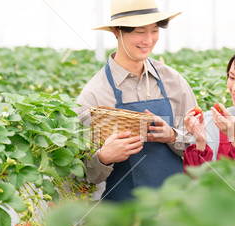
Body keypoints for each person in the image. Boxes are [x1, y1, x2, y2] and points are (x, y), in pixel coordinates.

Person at [75, 0, 197, 201]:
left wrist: (173, 136)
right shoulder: (95, 94)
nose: (149, 40)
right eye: (140, 31)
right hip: (122, 220)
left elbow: (200, 146)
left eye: (155, 30)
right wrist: (104, 158)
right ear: (117, 31)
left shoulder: (173, 81)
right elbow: (79, 174)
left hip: (174, 211)